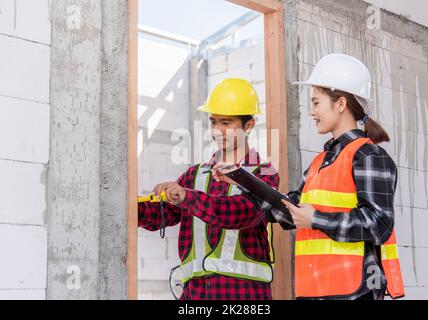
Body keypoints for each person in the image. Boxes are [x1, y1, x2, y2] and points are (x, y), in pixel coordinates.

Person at [218, 54, 404, 300]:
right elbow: (289, 214)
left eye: (316, 103)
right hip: (314, 289)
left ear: (340, 103)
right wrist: (243, 182)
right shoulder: (322, 160)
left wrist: (317, 219)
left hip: (353, 291)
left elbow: (379, 225)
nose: (311, 111)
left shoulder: (368, 155)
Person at [138, 78, 279, 300]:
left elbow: (242, 212)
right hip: (196, 295)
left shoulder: (264, 174)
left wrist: (186, 196)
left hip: (242, 295)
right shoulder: (194, 176)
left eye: (226, 123)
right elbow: (162, 215)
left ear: (248, 125)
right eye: (213, 122)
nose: (217, 131)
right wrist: (130, 205)